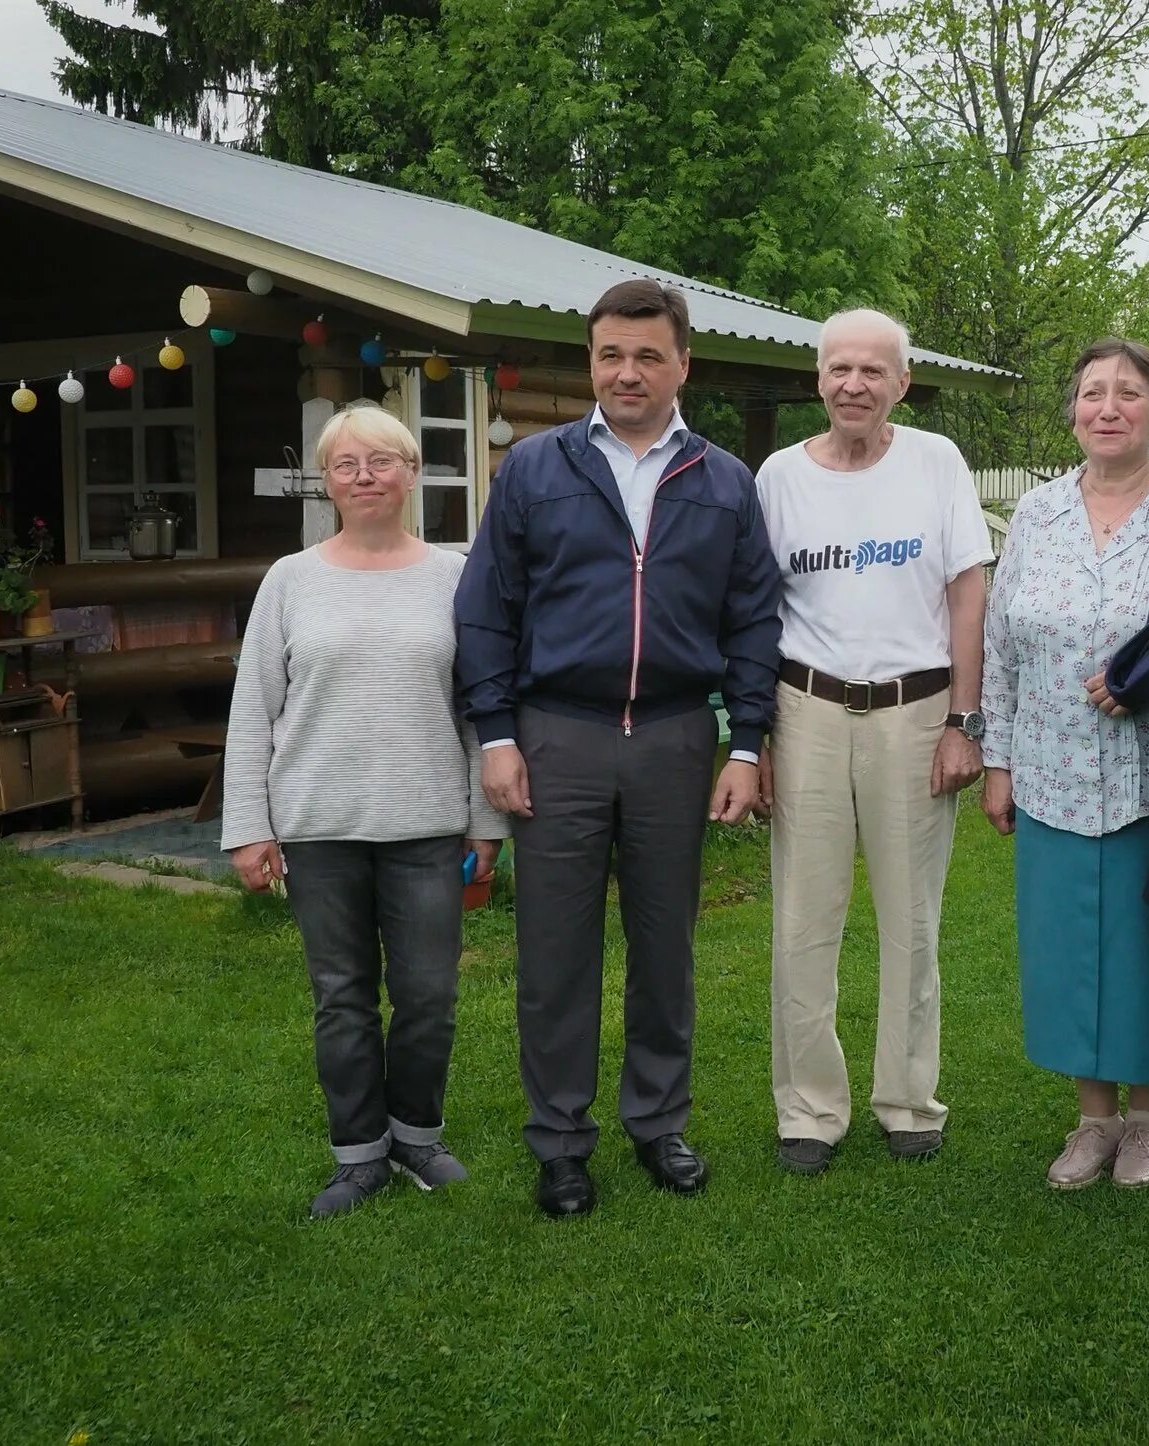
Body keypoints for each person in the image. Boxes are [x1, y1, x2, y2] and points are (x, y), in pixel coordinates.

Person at [455, 280, 782, 1219]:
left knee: (664, 945)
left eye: (647, 355)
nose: (627, 372)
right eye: (610, 355)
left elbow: (755, 619)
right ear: (591, 362)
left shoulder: (724, 481)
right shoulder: (534, 470)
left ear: (683, 364)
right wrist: (499, 734)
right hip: (558, 733)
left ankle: (657, 1120)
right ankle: (560, 1141)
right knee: (555, 950)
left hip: (678, 736)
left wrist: (747, 743)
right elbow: (486, 611)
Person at [222, 401, 507, 1219]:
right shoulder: (290, 579)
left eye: (382, 461)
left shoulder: (455, 578)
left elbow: (477, 708)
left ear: (412, 474)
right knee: (342, 997)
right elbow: (254, 709)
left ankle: (417, 1133)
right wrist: (249, 827)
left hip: (425, 824)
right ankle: (358, 1155)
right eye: (347, 465)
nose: (365, 477)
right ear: (328, 482)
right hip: (319, 827)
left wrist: (487, 826)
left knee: (426, 995)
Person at [755, 308, 994, 1174]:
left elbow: (969, 591)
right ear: (818, 378)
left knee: (911, 920)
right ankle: (809, 1111)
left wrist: (966, 723)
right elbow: (756, 610)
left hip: (917, 710)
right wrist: (757, 739)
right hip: (806, 707)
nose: (854, 385)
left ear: (901, 382)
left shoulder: (937, 462)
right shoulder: (779, 476)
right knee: (803, 922)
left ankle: (907, 1100)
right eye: (838, 369)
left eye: (873, 371)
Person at [979, 338, 1149, 1189]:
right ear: (1073, 411)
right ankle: (1093, 1120)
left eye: (1127, 393)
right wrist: (998, 761)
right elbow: (1000, 644)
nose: (1107, 407)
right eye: (1091, 394)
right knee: (1067, 951)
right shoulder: (1036, 515)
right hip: (1049, 772)